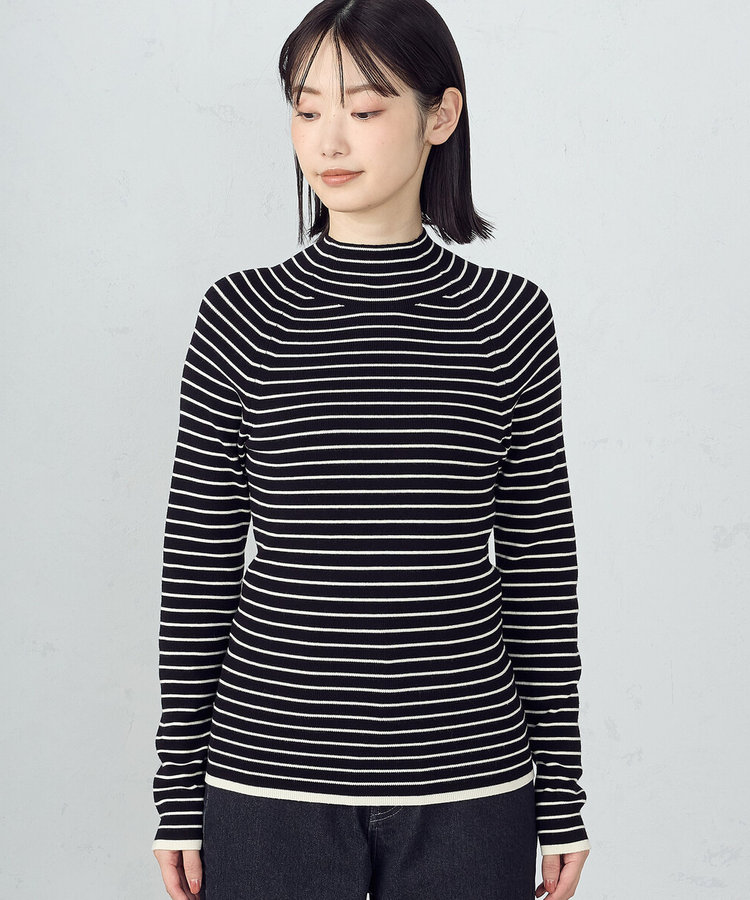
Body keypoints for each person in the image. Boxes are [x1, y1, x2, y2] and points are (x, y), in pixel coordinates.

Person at [152, 1, 591, 898]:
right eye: (307, 108)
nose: (328, 140)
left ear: (441, 115)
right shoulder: (240, 317)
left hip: (472, 785)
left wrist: (563, 793)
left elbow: (541, 566)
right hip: (266, 782)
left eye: (363, 107)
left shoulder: (508, 319)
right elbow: (198, 562)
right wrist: (175, 793)